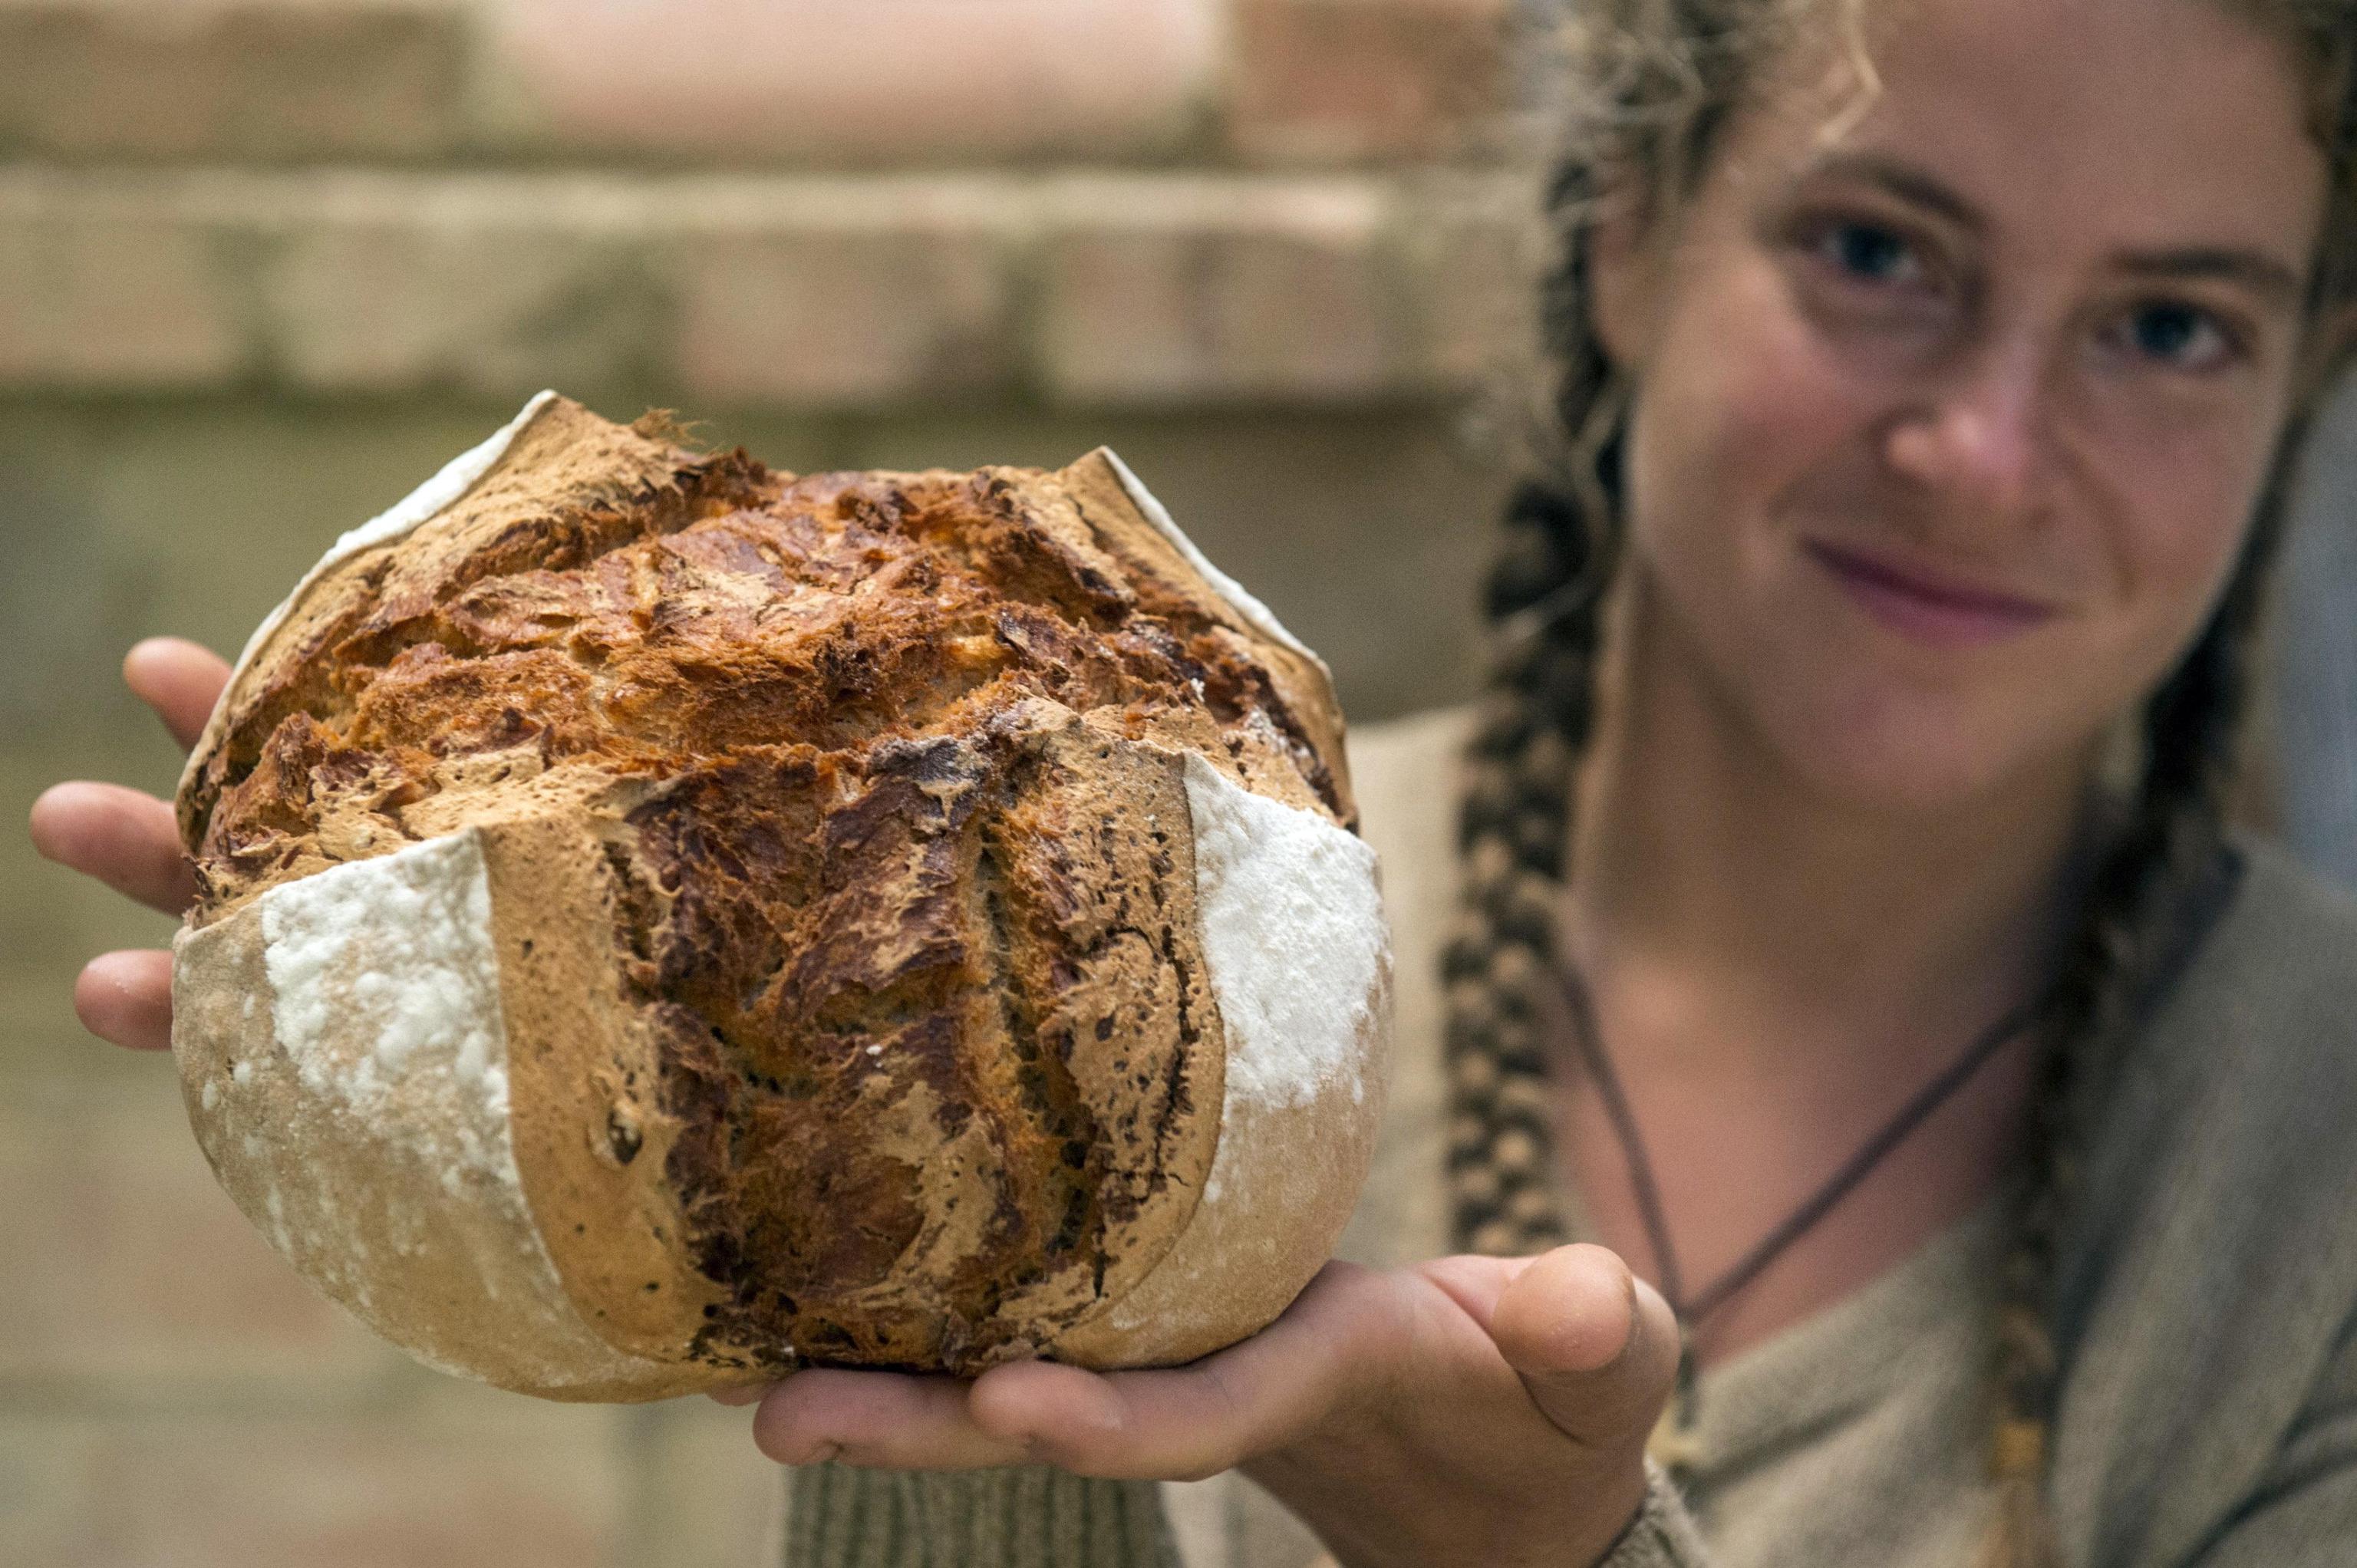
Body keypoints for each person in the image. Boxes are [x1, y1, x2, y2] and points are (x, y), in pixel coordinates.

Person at [30, 0, 2357, 1563]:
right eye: (1876, 250)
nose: (1983, 448)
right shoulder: (1192, 916)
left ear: (2309, 372)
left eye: (2172, 323)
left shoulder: (2309, 1185)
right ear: (1630, 240)